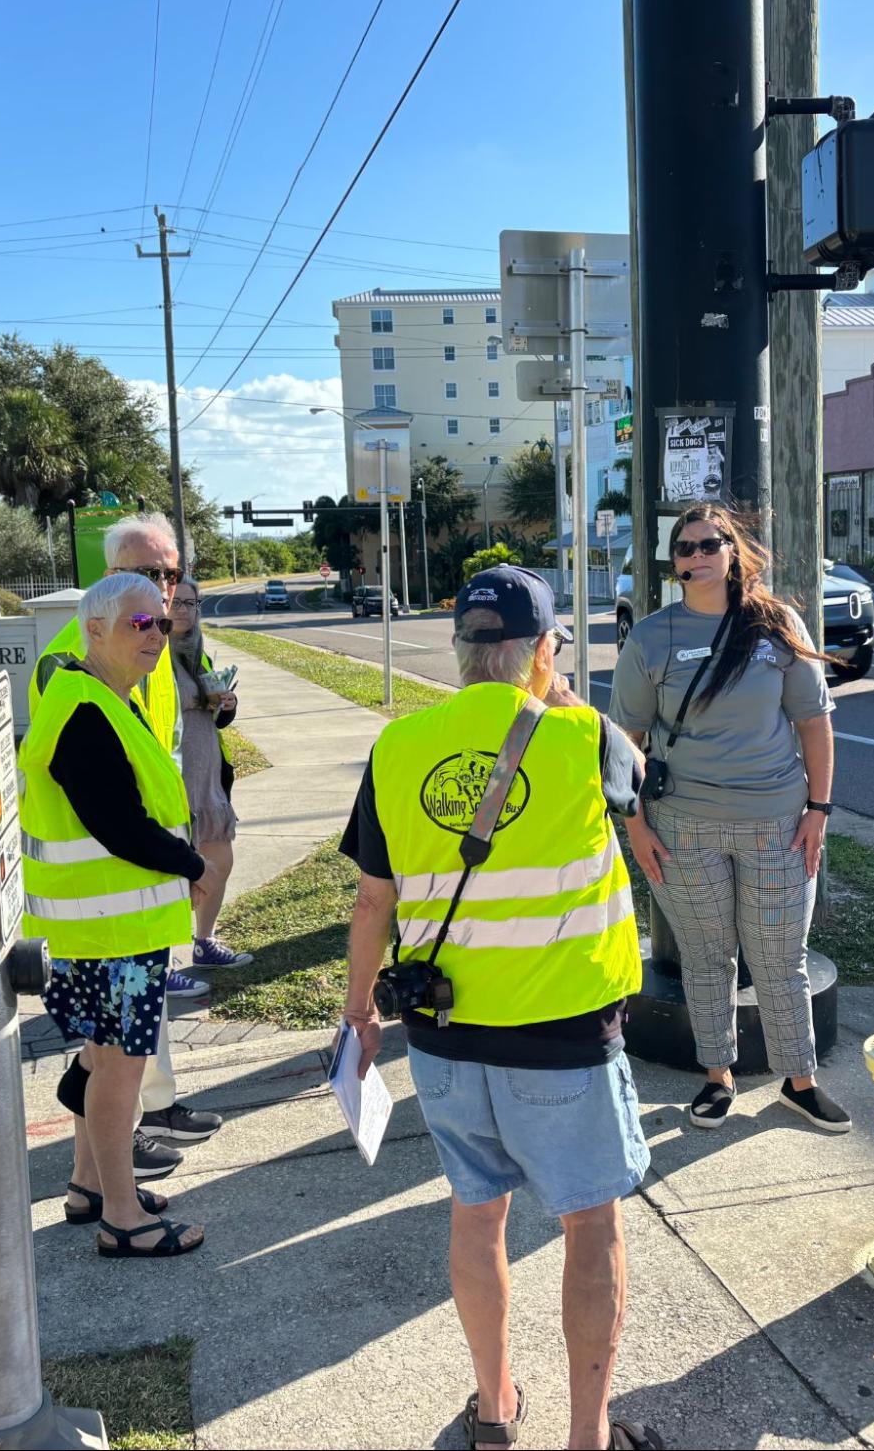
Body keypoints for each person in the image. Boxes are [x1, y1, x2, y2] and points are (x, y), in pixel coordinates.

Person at [340, 566, 666, 1451]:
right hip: (564, 1038)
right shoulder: (588, 737)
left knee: (475, 1213)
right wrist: (553, 691)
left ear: (457, 652)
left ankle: (493, 1408)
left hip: (444, 1038)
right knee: (588, 1227)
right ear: (544, 650)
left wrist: (358, 1014)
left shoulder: (398, 747)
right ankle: (587, 1437)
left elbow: (372, 904)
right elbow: (639, 788)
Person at [608, 503, 847, 1136]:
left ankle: (800, 1082)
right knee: (707, 959)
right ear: (673, 562)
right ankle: (717, 1078)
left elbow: (814, 726)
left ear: (733, 550)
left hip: (778, 823)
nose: (695, 556)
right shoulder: (652, 636)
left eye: (708, 544)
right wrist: (635, 825)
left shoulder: (774, 624)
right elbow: (625, 740)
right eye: (683, 549)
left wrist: (819, 812)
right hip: (681, 826)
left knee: (779, 957)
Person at [20, 572, 221, 1259]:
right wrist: (193, 866)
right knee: (119, 1071)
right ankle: (123, 1218)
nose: (156, 637)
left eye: (162, 625)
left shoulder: (101, 698)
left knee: (102, 1059)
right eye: (141, 624)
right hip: (110, 932)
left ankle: (89, 1187)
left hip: (105, 928)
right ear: (95, 629)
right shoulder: (84, 709)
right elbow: (117, 824)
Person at [168, 577, 250, 967]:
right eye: (176, 602)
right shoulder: (150, 653)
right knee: (172, 872)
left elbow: (215, 718)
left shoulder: (197, 653)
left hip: (208, 777)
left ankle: (205, 941)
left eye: (191, 603)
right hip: (173, 776)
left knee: (221, 861)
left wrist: (226, 704)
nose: (183, 609)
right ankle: (160, 960)